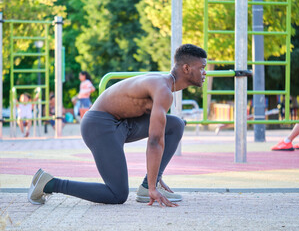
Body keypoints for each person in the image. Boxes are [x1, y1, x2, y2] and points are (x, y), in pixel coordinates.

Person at [28, 44, 207, 207]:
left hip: (120, 124)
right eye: (202, 68)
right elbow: (154, 141)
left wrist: (153, 180)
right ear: (186, 68)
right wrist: (155, 185)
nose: (205, 73)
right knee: (117, 194)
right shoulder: (163, 89)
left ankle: (146, 188)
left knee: (175, 124)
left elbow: (157, 133)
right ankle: (49, 183)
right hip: (99, 125)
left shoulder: (165, 86)